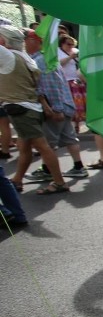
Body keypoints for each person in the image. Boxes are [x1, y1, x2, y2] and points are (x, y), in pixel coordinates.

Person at [0, 25, 68, 195]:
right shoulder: (25, 57)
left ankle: (59, 182)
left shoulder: (8, 56)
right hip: (30, 107)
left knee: (42, 146)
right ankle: (17, 180)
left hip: (21, 109)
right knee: (24, 146)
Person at [22, 28, 88, 180]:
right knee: (69, 138)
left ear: (33, 41)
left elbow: (52, 85)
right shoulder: (47, 57)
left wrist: (55, 109)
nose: (24, 44)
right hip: (63, 105)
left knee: (47, 144)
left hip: (56, 107)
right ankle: (78, 167)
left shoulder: (41, 60)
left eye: (25, 40)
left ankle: (47, 171)